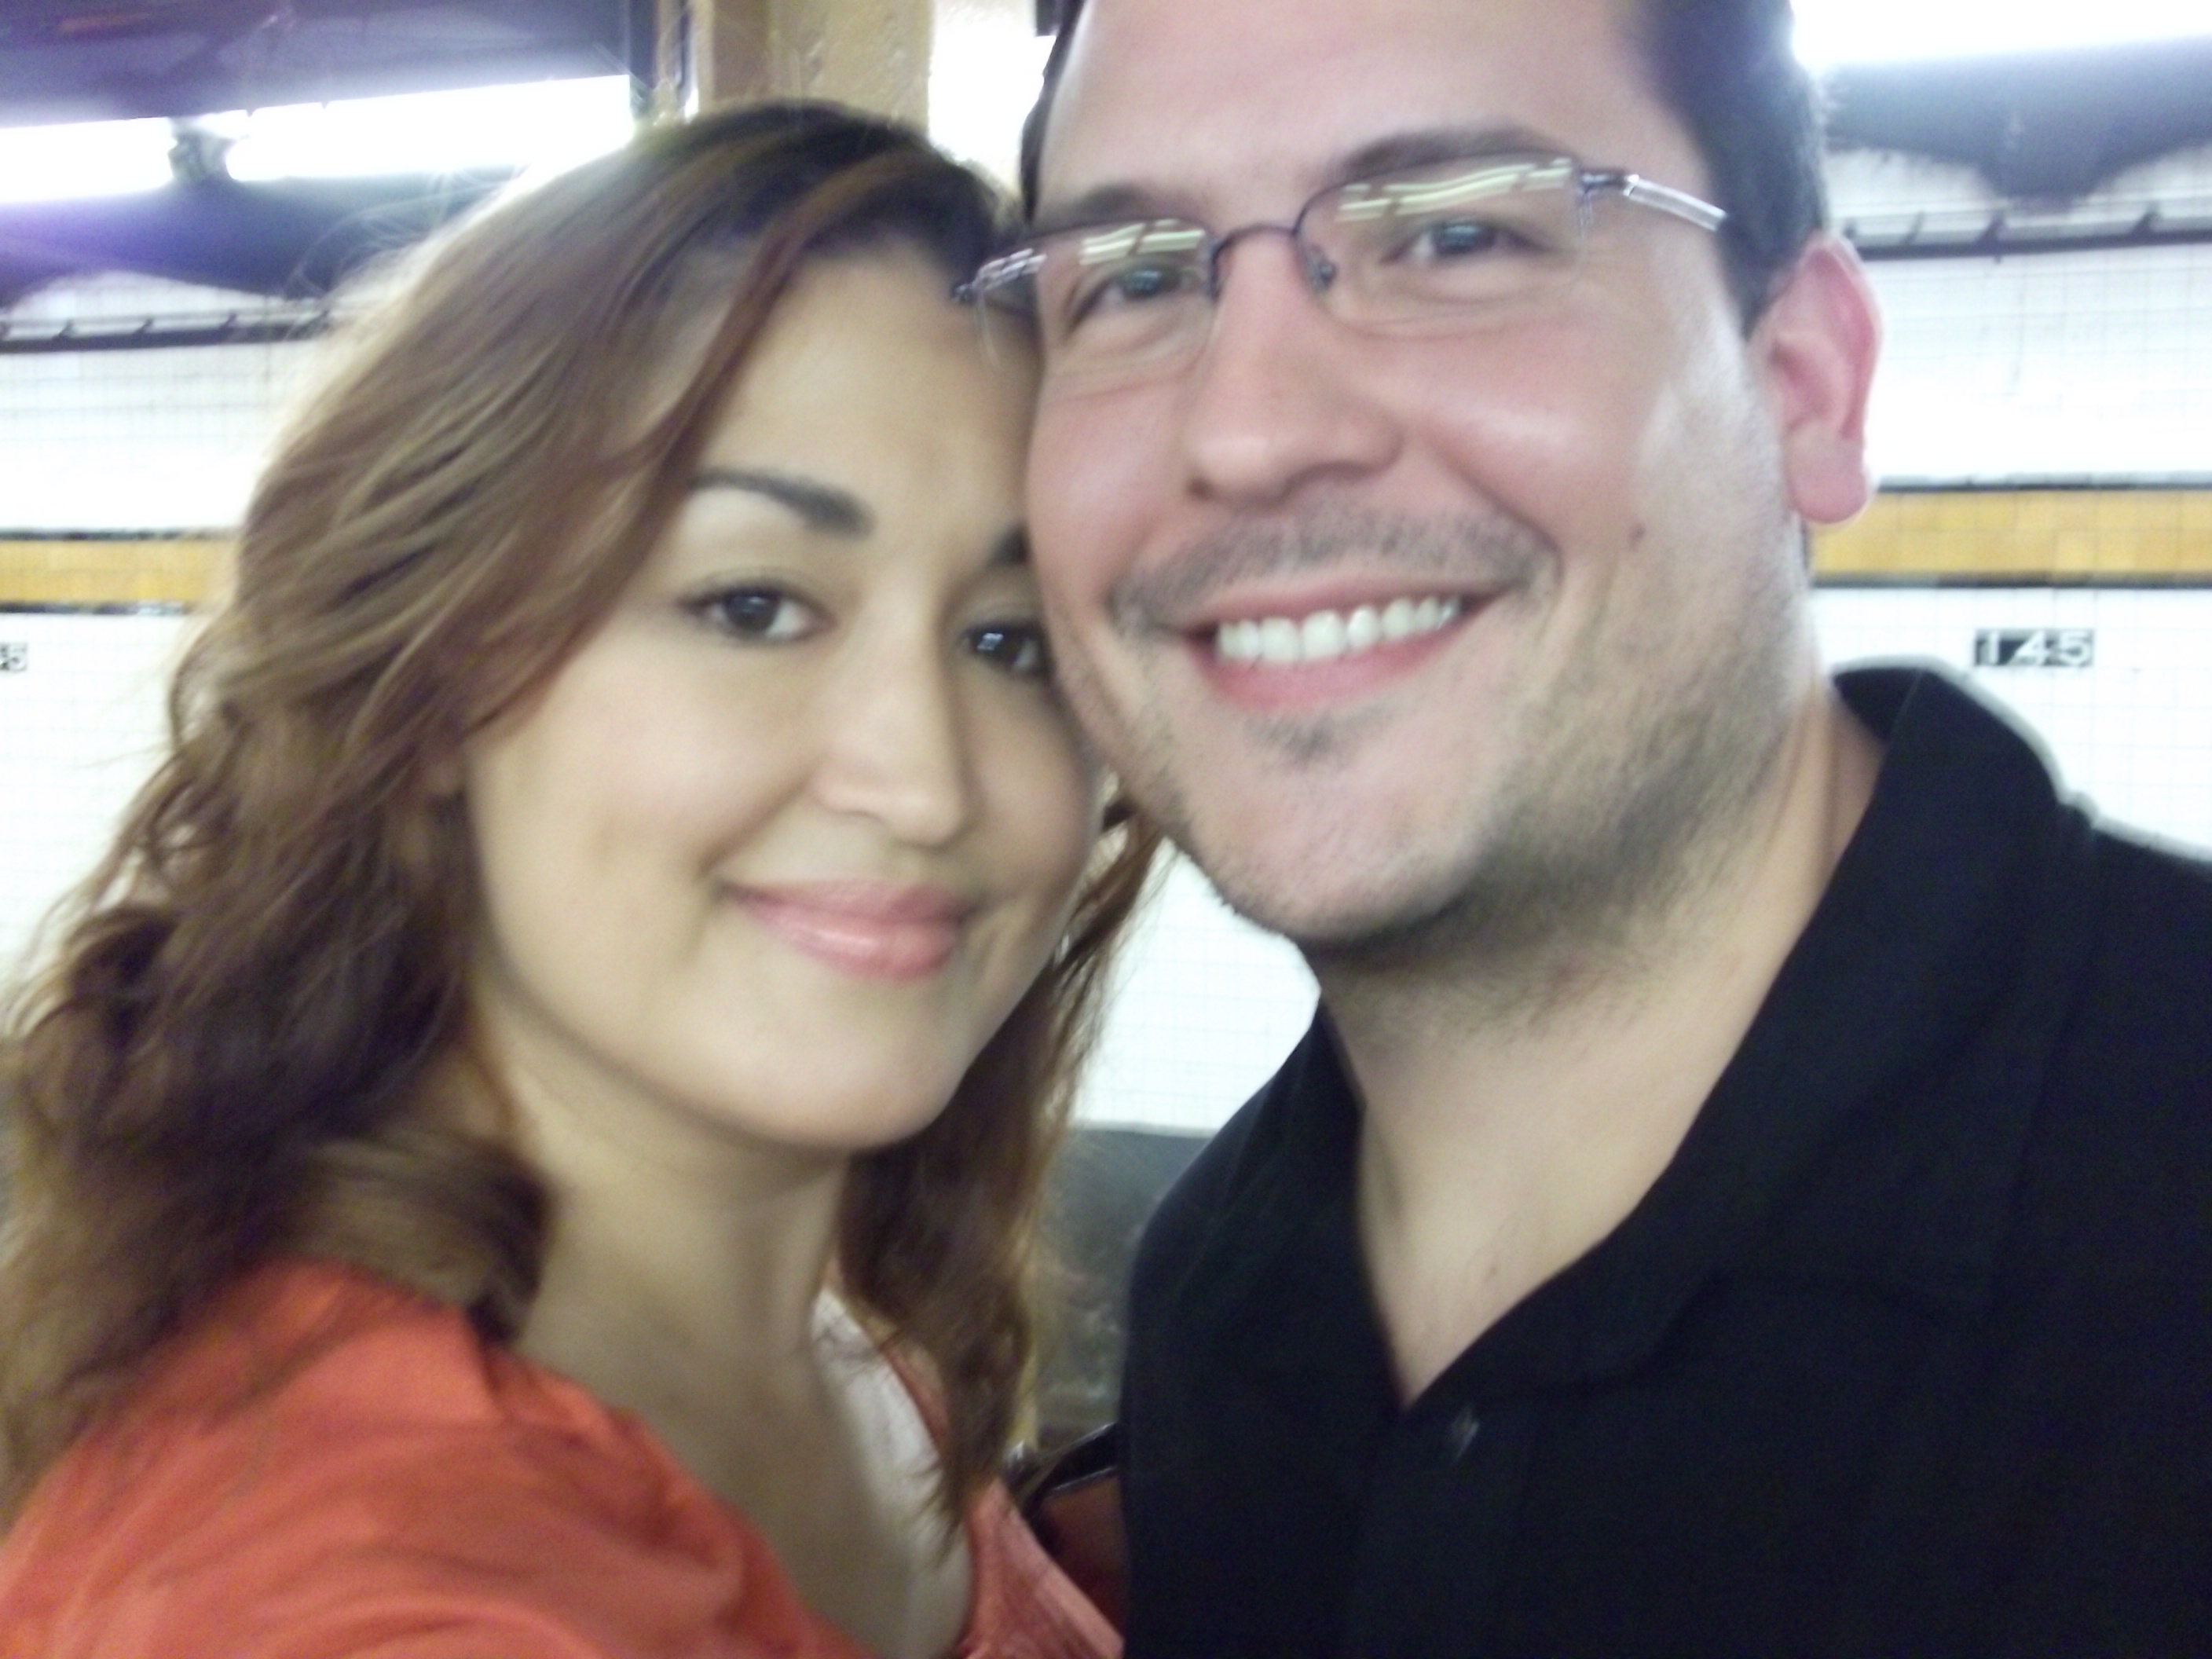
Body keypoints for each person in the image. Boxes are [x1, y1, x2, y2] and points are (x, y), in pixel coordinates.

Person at [974, 0, 2212, 1650]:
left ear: (1804, 383)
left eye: (1455, 235)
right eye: (1132, 280)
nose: (1246, 430)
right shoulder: (1227, 1296)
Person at [0, 103, 1155, 1659]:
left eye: (1011, 638)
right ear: (429, 693)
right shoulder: (347, 1585)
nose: (927, 779)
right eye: (751, 607)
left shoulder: (852, 1345)